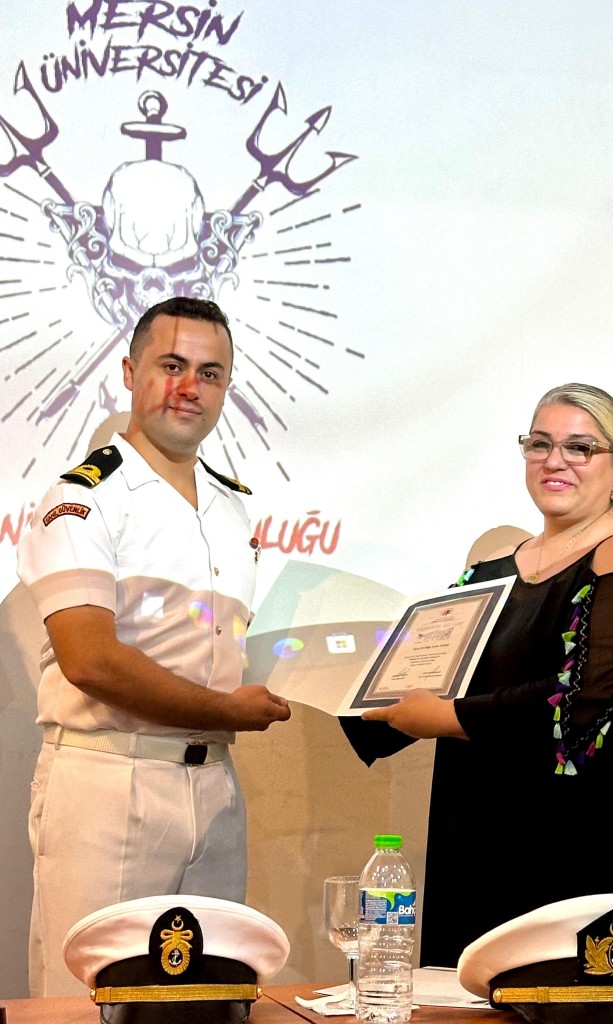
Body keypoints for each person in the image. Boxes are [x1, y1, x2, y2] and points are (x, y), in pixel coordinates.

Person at [343, 382, 613, 970]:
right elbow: (426, 676)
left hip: (596, 845)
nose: (554, 460)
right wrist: (316, 674)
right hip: (487, 837)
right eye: (539, 444)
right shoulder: (488, 572)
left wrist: (446, 717)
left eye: (579, 447)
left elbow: (583, 705)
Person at [17, 296, 291, 997]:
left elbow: (231, 647)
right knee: (88, 1002)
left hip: (215, 786)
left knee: (209, 997)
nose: (188, 387)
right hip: (111, 782)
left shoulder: (232, 506)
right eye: (171, 365)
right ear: (129, 371)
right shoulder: (82, 500)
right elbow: (90, 661)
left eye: (209, 373)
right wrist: (228, 710)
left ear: (226, 387)